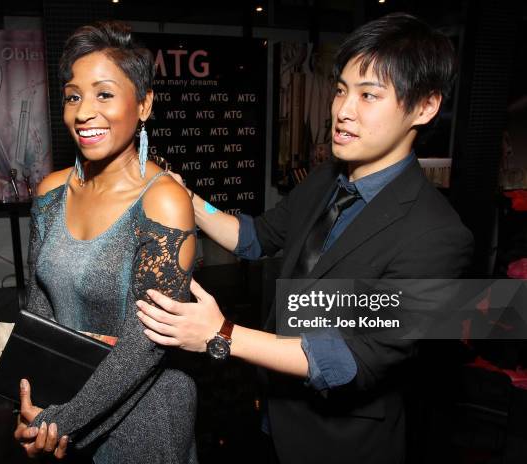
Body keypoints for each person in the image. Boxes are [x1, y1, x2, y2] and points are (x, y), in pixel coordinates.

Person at [136, 13, 474, 464]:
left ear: (425, 107)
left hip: (339, 444)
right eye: (341, 90)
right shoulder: (326, 179)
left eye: (369, 95)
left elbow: (350, 359)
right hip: (273, 414)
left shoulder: (438, 236)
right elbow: (254, 237)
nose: (342, 111)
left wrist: (221, 334)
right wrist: (185, 197)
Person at [13, 21, 197, 463]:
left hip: (144, 414)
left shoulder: (164, 202)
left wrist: (59, 420)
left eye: (104, 94)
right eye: (74, 96)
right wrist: (31, 398)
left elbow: (146, 344)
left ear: (145, 104)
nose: (83, 112)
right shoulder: (50, 193)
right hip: (63, 404)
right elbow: (38, 302)